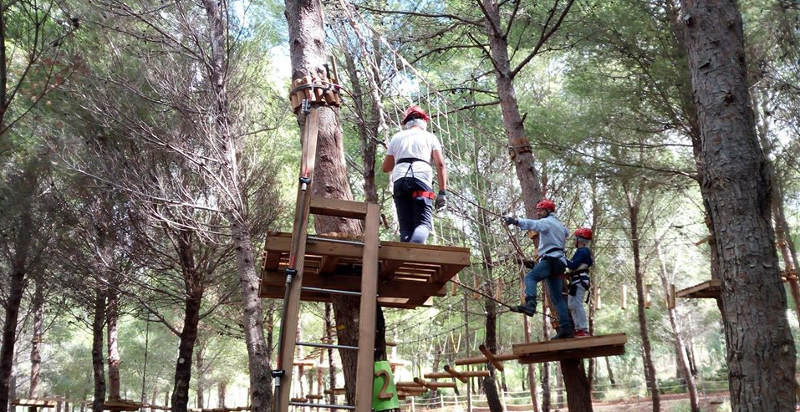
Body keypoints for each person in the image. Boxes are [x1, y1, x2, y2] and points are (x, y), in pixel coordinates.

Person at [503, 199, 574, 339]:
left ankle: (531, 304)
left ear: (548, 211)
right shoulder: (559, 225)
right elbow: (567, 232)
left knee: (531, 278)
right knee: (557, 298)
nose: (538, 213)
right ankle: (566, 328)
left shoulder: (547, 222)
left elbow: (533, 224)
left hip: (551, 259)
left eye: (541, 210)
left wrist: (515, 221)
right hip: (560, 262)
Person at [381, 105, 447, 244]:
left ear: (406, 122)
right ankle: (414, 252)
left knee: (405, 229)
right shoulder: (430, 137)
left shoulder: (397, 137)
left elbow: (386, 167)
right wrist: (442, 192)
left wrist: (400, 154)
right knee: (423, 225)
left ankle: (406, 256)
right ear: (424, 120)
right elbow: (440, 165)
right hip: (420, 181)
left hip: (400, 183)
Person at [567, 228, 594, 338]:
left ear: (580, 240)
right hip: (576, 280)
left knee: (577, 304)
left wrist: (561, 258)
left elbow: (573, 265)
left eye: (576, 239)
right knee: (572, 305)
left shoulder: (583, 251)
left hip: (580, 280)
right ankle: (578, 328)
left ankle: (583, 329)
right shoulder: (581, 251)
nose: (574, 241)